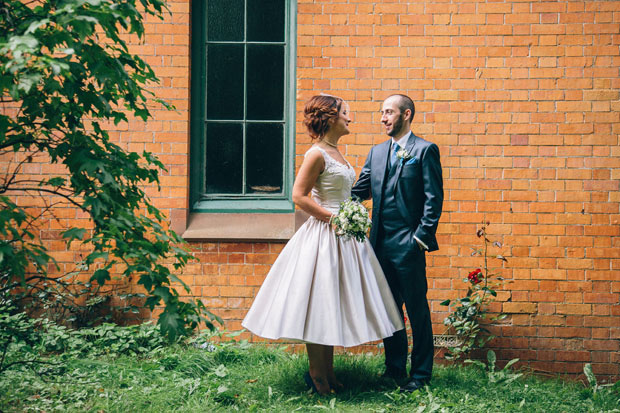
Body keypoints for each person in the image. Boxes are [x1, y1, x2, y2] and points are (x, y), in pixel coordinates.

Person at [242, 95, 404, 395]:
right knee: (319, 302)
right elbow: (299, 196)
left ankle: (327, 372)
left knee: (331, 303)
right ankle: (317, 376)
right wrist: (336, 218)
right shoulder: (316, 154)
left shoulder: (336, 152)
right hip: (324, 237)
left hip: (345, 238)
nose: (350, 118)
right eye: (346, 113)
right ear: (330, 118)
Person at [351, 94, 443, 393]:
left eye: (389, 112)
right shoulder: (376, 153)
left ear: (406, 114)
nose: (383, 118)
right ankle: (394, 369)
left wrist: (420, 238)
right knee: (389, 309)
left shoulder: (425, 150)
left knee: (416, 309)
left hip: (408, 243)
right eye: (381, 113)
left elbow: (433, 199)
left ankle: (420, 374)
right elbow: (359, 192)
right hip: (378, 244)